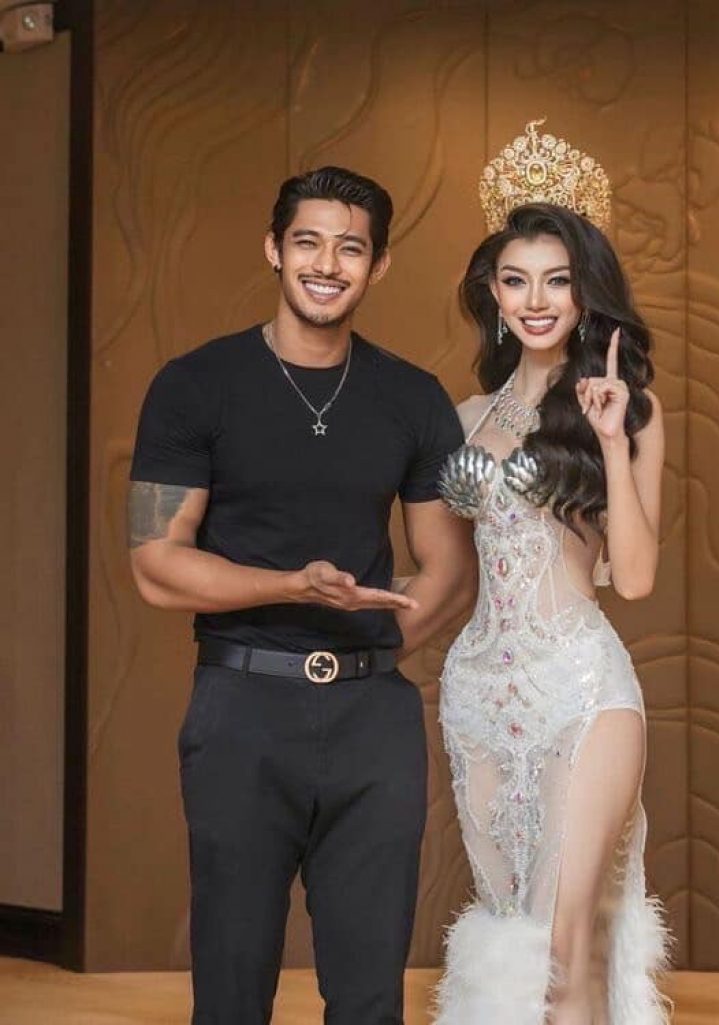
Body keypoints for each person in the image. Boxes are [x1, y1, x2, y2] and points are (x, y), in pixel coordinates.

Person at [128, 165, 476, 1025]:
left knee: (369, 997)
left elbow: (449, 568)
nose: (327, 264)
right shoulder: (194, 385)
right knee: (231, 989)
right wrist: (293, 586)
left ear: (378, 265)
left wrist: (367, 644)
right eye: (308, 242)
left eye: (350, 248)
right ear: (274, 249)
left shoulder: (413, 397)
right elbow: (156, 562)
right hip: (240, 709)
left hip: (373, 720)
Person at [434, 122, 670, 1025]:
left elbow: (635, 577)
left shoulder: (628, 408)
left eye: (558, 279)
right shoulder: (463, 417)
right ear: (493, 293)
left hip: (581, 688)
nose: (537, 299)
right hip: (477, 694)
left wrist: (610, 439)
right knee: (510, 944)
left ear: (585, 292)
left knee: (565, 952)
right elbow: (450, 565)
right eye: (516, 279)